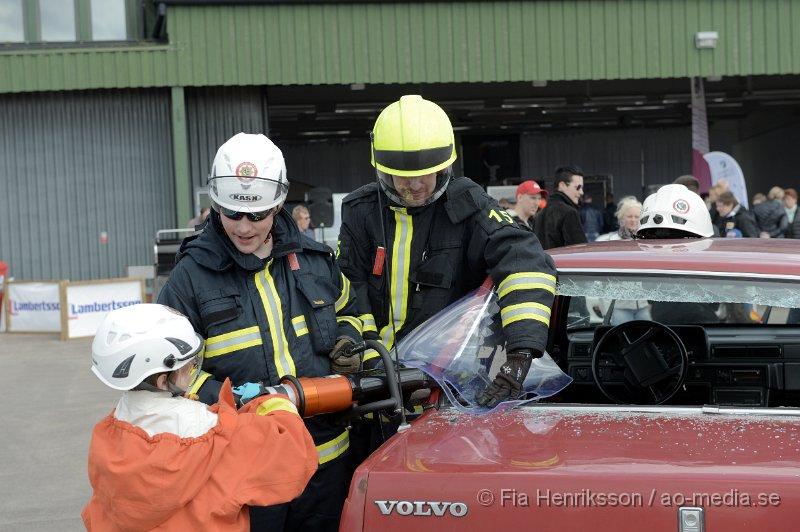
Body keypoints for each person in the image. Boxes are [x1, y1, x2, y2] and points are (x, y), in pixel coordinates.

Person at [157, 132, 363, 531]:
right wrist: (230, 397)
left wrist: (349, 341)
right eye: (232, 214)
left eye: (258, 214)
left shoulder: (316, 261)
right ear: (215, 206)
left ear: (279, 203)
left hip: (326, 463)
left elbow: (352, 311)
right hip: (246, 469)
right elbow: (167, 373)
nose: (245, 227)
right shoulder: (189, 278)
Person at [337, 95, 556, 414]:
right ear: (382, 170)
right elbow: (349, 287)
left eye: (424, 174)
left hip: (447, 389)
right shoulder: (360, 212)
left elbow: (525, 263)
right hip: (374, 384)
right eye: (401, 176)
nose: (414, 185)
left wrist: (521, 353)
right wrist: (365, 353)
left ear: (444, 168)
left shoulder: (469, 207)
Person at [82, 304, 318, 532]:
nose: (193, 368)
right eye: (189, 364)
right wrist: (275, 402)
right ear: (164, 380)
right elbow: (294, 457)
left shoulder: (108, 433)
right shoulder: (211, 434)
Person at [636, 184, 719, 324]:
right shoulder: (708, 238)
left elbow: (648, 286)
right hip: (701, 314)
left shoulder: (650, 250)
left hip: (664, 316)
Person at [596, 196, 649, 323]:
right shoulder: (608, 242)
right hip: (619, 307)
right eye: (629, 216)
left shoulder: (648, 242)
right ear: (621, 219)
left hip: (644, 305)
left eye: (637, 217)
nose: (633, 220)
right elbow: (601, 279)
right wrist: (606, 307)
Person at [534, 166, 587, 249]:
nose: (581, 192)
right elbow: (581, 251)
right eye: (578, 187)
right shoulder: (569, 212)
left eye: (582, 188)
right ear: (562, 185)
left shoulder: (539, 214)